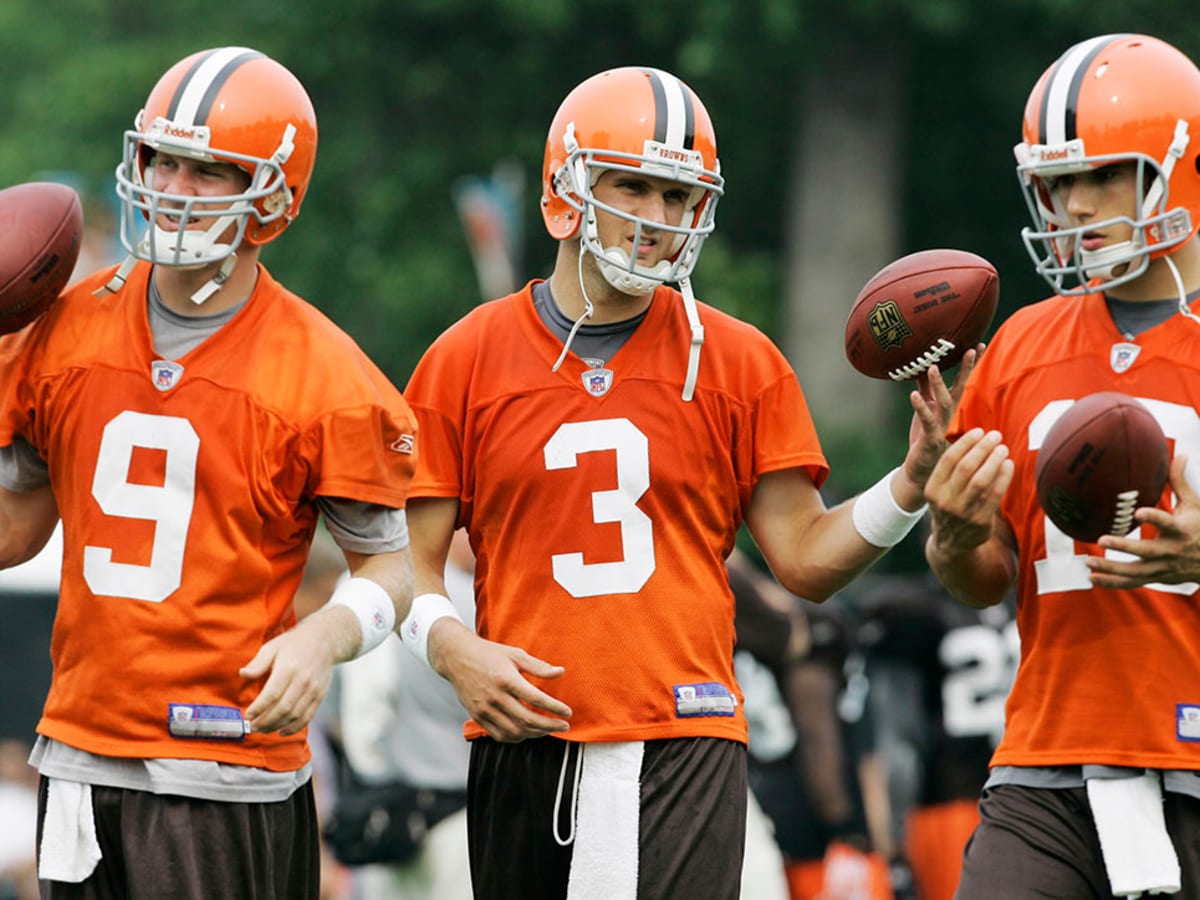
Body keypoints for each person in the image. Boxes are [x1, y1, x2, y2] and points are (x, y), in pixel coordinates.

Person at [400, 65, 969, 900]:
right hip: (523, 739)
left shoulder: (738, 360)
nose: (657, 220)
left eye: (678, 196)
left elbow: (806, 560)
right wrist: (453, 650)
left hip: (686, 734)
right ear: (569, 186)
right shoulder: (465, 357)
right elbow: (399, 563)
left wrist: (911, 483)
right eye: (633, 186)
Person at [0, 47, 418, 899]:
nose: (176, 187)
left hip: (223, 763)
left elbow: (392, 572)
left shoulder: (326, 374)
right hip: (78, 750)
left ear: (272, 196)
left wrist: (319, 637)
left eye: (211, 171)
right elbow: (13, 531)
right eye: (165, 160)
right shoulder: (62, 328)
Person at [924, 32, 1200, 899]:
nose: (1073, 206)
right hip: (1048, 758)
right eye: (1057, 182)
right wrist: (951, 535)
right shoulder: (1018, 346)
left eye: (1100, 175)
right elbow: (980, 578)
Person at [331, 527, 476, 900]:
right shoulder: (468, 600)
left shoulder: (352, 596)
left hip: (383, 811)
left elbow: (332, 713)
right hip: (457, 811)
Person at [852, 572, 1017, 900]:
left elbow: (897, 740)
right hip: (1034, 789)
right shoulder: (1029, 593)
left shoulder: (916, 610)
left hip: (951, 806)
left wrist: (893, 829)